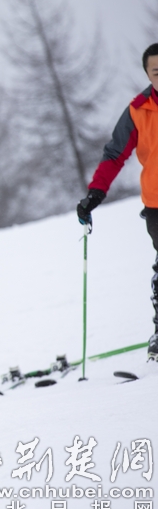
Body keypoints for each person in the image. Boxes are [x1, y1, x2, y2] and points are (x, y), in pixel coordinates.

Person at [77, 43, 158, 361]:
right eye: (156, 72)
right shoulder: (138, 110)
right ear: (148, 75)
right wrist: (96, 192)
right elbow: (115, 153)